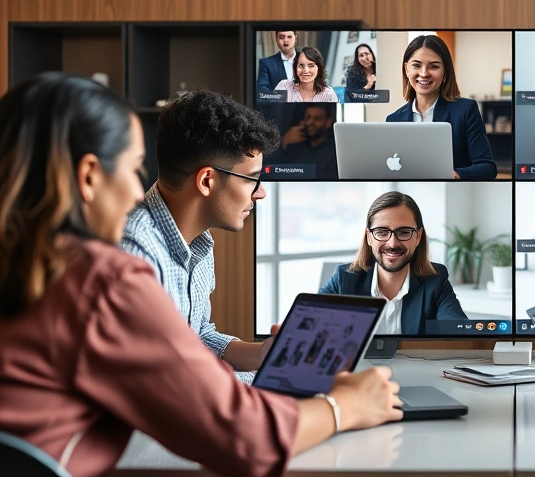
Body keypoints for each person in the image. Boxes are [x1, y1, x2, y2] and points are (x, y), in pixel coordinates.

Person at [0, 73, 402, 477]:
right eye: (133, 169)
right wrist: (346, 406)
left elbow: (189, 338)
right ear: (89, 176)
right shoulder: (105, 276)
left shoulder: (39, 261)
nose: (137, 192)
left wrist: (258, 355)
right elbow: (245, 439)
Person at [120, 89, 281, 383]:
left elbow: (197, 336)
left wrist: (264, 356)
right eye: (253, 179)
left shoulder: (199, 241)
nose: (261, 192)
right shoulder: (134, 256)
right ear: (207, 181)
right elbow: (165, 384)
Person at [319, 191, 467, 335]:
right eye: (382, 232)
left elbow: (457, 330)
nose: (392, 243)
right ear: (369, 237)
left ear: (418, 236)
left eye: (403, 232)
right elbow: (311, 325)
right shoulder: (343, 279)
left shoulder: (435, 279)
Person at [386, 35, 497, 180]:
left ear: (445, 72)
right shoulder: (393, 120)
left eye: (434, 66)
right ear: (406, 69)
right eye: (416, 65)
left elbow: (487, 167)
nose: (424, 73)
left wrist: (456, 175)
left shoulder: (466, 110)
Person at [278, 103, 338, 179]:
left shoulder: (335, 152)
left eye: (317, 119)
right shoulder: (294, 148)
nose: (310, 122)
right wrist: (283, 142)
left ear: (328, 122)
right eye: (307, 118)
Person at [275, 46, 339, 103]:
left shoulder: (329, 95)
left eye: (310, 65)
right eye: (301, 66)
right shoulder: (284, 86)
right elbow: (272, 112)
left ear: (318, 68)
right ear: (295, 68)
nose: (305, 70)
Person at [256, 30, 297, 94]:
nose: (286, 41)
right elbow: (262, 91)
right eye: (281, 37)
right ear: (276, 40)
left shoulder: (308, 59)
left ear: (295, 38)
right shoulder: (266, 63)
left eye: (289, 37)